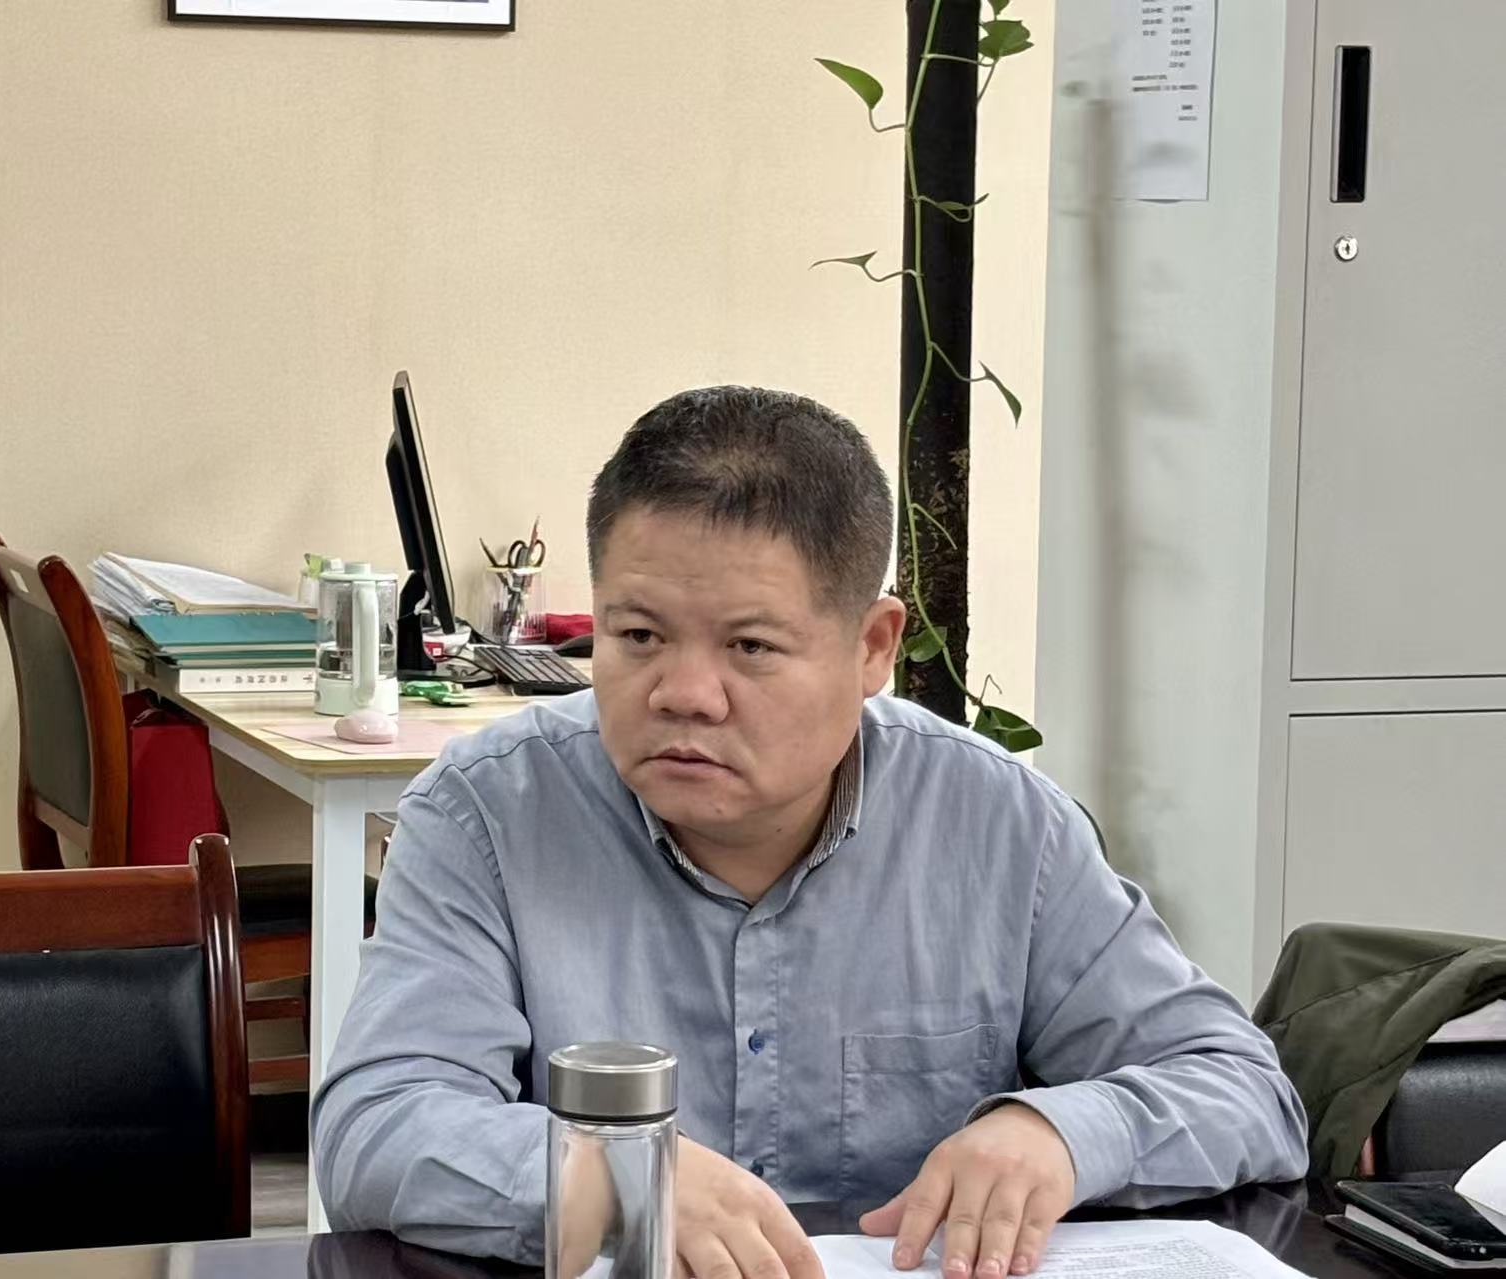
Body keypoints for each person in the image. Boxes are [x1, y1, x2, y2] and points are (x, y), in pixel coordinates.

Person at [313, 386, 1309, 1279]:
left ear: (872, 647)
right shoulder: (488, 812)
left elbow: (1242, 1090)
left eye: (750, 646)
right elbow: (377, 1126)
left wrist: (1061, 1132)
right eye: (638, 635)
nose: (684, 694)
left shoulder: (1001, 825)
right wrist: (603, 1183)